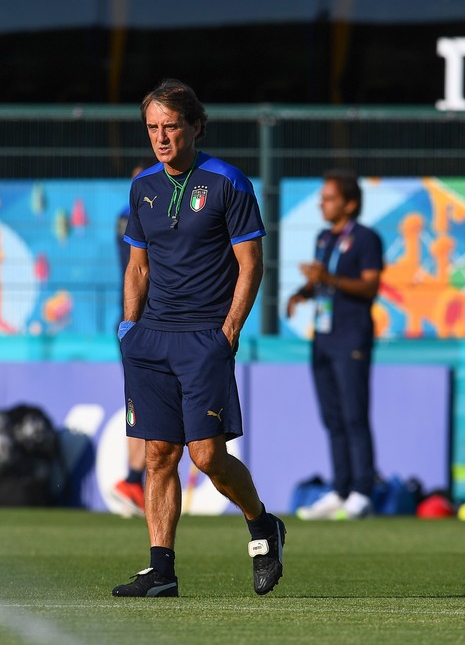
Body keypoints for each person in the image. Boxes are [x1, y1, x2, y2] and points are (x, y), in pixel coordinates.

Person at [113, 79, 285, 598]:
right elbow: (138, 267)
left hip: (204, 338)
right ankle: (161, 571)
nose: (161, 138)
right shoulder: (142, 187)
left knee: (206, 456)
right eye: (152, 128)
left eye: (170, 126)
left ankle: (262, 523)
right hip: (151, 339)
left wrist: (229, 331)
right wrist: (129, 328)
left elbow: (251, 264)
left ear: (195, 126)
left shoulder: (228, 182)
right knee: (158, 454)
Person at [287, 170, 384, 520]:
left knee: (355, 415)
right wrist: (302, 292)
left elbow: (370, 286)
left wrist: (326, 278)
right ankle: (340, 489)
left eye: (329, 198)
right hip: (323, 338)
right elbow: (322, 283)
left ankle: (362, 491)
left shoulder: (366, 239)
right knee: (332, 418)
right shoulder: (324, 238)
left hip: (351, 337)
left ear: (350, 204)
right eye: (322, 198)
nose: (322, 204)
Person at [110, 162, 148, 518]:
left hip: (133, 317)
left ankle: (135, 480)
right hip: (147, 319)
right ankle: (135, 479)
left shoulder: (125, 214)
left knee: (139, 402)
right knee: (146, 403)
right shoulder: (140, 213)